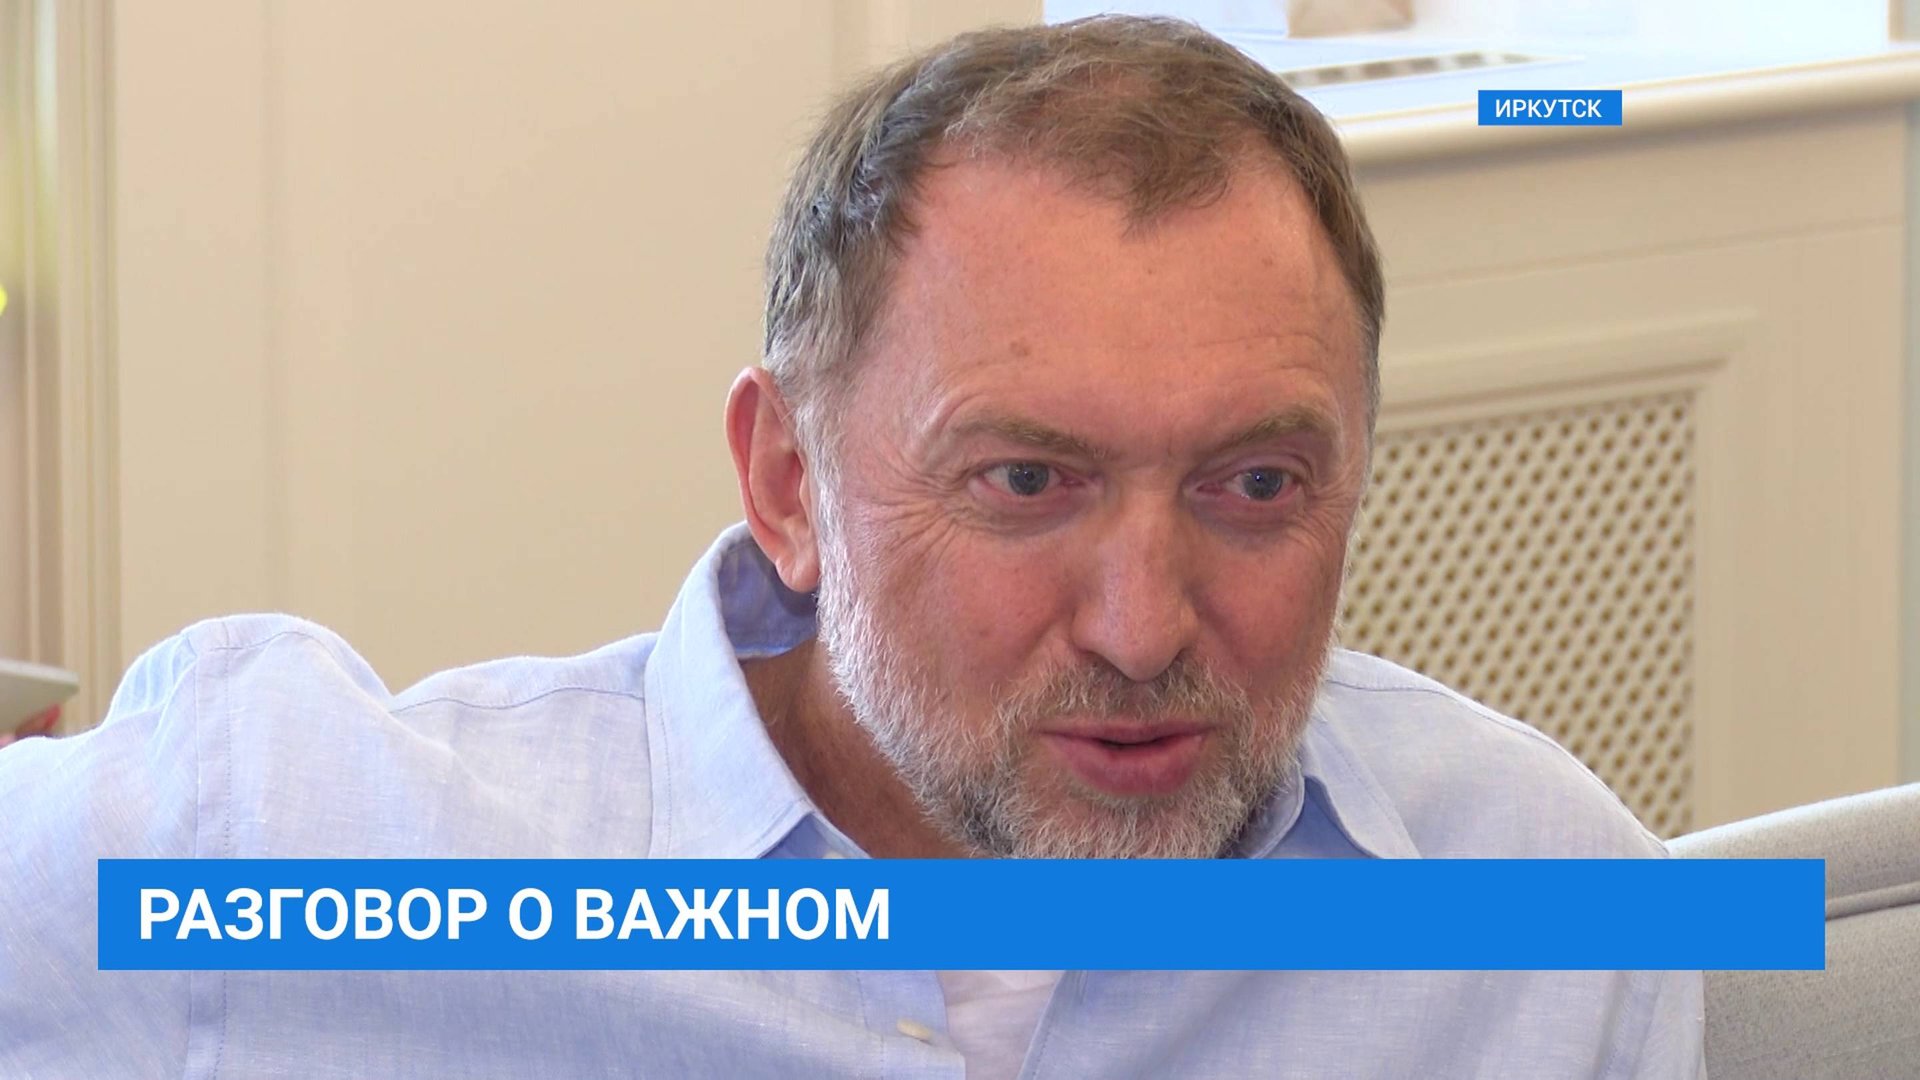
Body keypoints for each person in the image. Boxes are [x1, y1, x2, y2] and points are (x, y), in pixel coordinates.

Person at [0, 16, 1704, 1078]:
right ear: (788, 485)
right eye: (1024, 481)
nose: (1141, 627)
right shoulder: (297, 842)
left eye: (1253, 486)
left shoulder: (1556, 920)